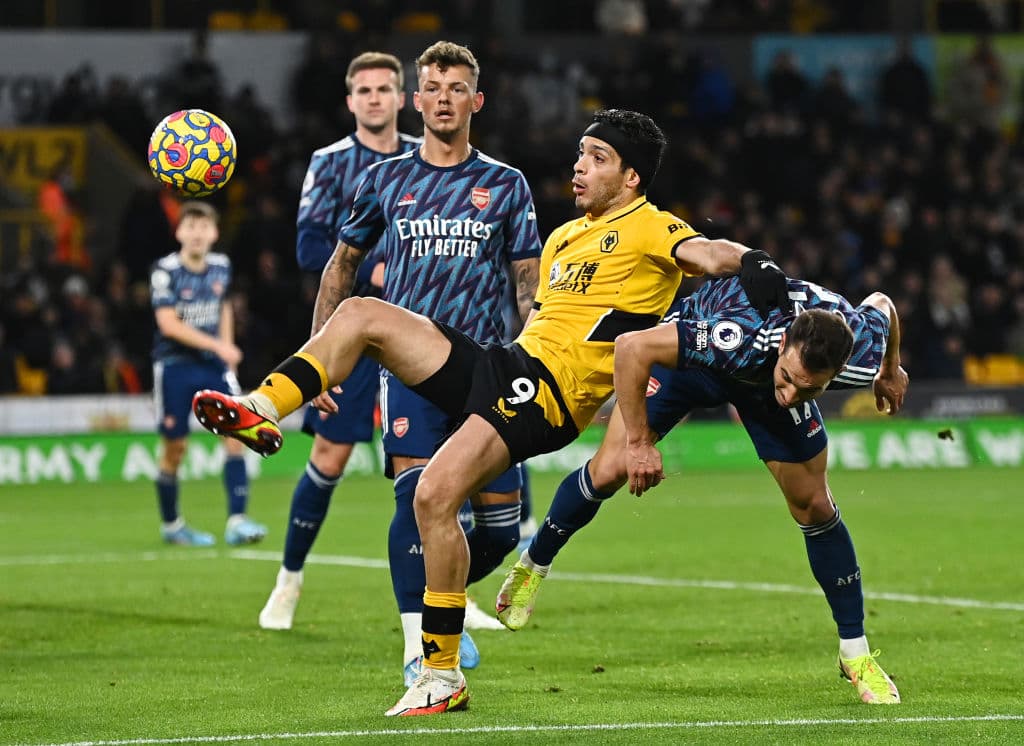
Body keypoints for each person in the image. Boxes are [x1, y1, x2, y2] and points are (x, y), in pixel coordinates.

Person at [192, 106, 789, 716]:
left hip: (549, 397)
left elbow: (707, 251)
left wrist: (753, 260)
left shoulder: (651, 227)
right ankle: (262, 406)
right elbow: (540, 322)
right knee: (362, 315)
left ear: (632, 177)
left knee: (432, 496)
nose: (579, 167)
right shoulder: (563, 237)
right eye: (580, 153)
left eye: (597, 158)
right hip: (509, 365)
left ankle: (440, 674)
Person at [256, 43, 541, 683]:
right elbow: (341, 267)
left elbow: (529, 286)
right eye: (433, 87)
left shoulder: (505, 184)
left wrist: (537, 362)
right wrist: (320, 358)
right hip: (410, 373)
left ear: (477, 100)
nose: (443, 98)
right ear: (419, 100)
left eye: (456, 87)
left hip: (488, 371)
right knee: (417, 499)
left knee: (498, 528)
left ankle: (447, 596)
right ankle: (418, 645)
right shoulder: (384, 179)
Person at [496, 274, 908, 706]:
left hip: (756, 380)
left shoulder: (858, 347)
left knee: (814, 505)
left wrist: (890, 368)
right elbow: (632, 347)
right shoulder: (738, 335)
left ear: (838, 372)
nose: (792, 396)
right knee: (611, 468)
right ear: (784, 342)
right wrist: (638, 444)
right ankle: (534, 563)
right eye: (789, 378)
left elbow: (882, 300)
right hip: (697, 363)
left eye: (810, 388)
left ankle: (855, 654)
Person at [258, 51, 420, 630]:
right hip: (351, 333)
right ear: (350, 101)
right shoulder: (330, 164)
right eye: (365, 90)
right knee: (330, 456)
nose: (375, 98)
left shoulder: (426, 160)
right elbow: (306, 249)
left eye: (385, 89)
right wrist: (373, 269)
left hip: (418, 333)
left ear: (402, 98)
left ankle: (449, 593)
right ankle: (289, 581)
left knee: (426, 466)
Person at [151, 200, 267, 546]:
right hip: (173, 366)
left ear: (215, 233)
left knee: (236, 436)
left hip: (212, 367)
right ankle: (172, 525)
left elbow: (224, 309)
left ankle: (238, 520)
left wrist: (227, 354)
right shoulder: (165, 270)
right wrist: (218, 346)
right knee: (176, 448)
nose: (197, 233)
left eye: (204, 226)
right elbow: (168, 324)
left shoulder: (222, 267)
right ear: (179, 232)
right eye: (191, 226)